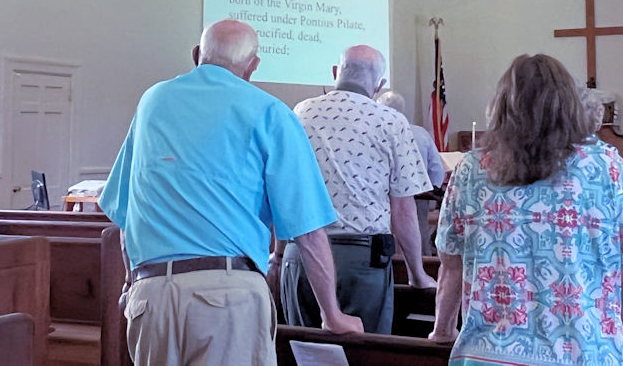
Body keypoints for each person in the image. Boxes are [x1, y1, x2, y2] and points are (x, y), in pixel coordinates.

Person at [99, 20, 363, 366]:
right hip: (227, 296)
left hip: (151, 295)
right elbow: (309, 232)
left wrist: (130, 283)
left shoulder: (153, 101)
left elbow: (127, 213)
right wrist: (332, 313)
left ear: (197, 55)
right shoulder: (270, 112)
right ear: (253, 66)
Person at [430, 54, 623, 365]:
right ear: (569, 106)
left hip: (486, 356)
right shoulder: (605, 167)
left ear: (501, 108)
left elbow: (451, 265)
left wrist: (442, 331)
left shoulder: (472, 169)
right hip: (586, 355)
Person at [282, 45, 437, 335]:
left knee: (305, 351)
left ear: (335, 72)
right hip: (361, 261)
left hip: (301, 254)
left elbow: (285, 190)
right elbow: (403, 211)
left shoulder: (300, 112)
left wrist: (279, 255)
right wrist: (417, 274)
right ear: (379, 84)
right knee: (364, 353)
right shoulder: (391, 121)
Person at [376, 90, 446, 188]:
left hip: (384, 194)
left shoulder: (375, 134)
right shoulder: (421, 133)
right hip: (420, 192)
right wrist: (431, 192)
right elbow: (437, 170)